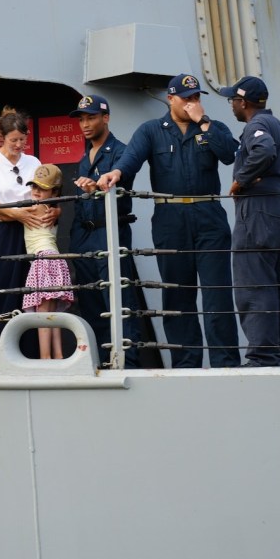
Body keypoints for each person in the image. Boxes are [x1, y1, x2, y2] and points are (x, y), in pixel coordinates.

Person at [101, 74, 241, 368]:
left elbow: (230, 155)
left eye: (196, 97)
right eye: (186, 98)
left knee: (217, 294)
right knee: (178, 294)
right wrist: (117, 174)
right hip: (170, 218)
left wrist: (204, 123)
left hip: (209, 216)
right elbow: (131, 160)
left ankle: (225, 363)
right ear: (171, 99)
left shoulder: (213, 127)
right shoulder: (152, 130)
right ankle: (186, 362)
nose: (192, 103)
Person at [223, 76, 280, 367]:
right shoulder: (279, 127)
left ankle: (263, 357)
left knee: (254, 287)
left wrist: (241, 180)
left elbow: (264, 151)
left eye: (233, 101)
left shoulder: (256, 127)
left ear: (244, 102)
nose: (231, 106)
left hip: (258, 221)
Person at [0, 108, 55, 365]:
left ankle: (31, 358)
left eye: (23, 140)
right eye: (14, 140)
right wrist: (18, 214)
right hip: (0, 232)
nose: (19, 145)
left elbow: (46, 195)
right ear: (1, 137)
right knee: (3, 293)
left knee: (32, 294)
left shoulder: (33, 162)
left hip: (30, 231)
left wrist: (51, 211)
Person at [68, 94, 139, 368]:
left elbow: (123, 183)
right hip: (85, 237)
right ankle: (97, 362)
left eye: (91, 117)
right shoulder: (85, 156)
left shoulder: (121, 152)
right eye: (82, 119)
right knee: (91, 302)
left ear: (105, 117)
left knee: (119, 300)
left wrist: (99, 187)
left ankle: (127, 363)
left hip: (110, 232)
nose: (85, 124)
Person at [21, 164, 74, 359]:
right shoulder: (52, 209)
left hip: (43, 259)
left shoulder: (34, 208)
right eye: (34, 187)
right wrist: (58, 208)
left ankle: (45, 358)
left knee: (43, 314)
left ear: (54, 191)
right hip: (53, 259)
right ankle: (58, 355)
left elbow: (5, 212)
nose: (36, 191)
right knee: (51, 313)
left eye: (42, 188)